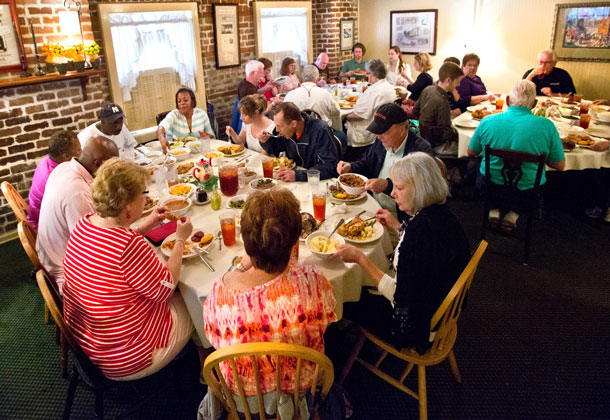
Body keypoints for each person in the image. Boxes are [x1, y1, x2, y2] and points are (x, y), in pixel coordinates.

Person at [200, 189, 336, 416]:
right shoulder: (313, 281)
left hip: (244, 398)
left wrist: (240, 267)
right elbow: (328, 321)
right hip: (300, 389)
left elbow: (212, 339)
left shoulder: (220, 293)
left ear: (245, 241)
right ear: (295, 242)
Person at [62, 158, 196, 380]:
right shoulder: (128, 246)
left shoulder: (85, 223)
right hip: (125, 356)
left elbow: (112, 250)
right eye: (142, 194)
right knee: (192, 299)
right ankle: (203, 370)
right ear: (127, 207)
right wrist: (181, 240)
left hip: (90, 342)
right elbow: (166, 287)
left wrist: (145, 226)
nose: (146, 198)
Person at [333, 152, 470, 355]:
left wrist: (360, 259)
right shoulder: (440, 215)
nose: (393, 193)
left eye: (399, 188)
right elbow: (422, 256)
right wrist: (397, 226)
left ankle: (340, 350)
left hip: (418, 326)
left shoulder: (418, 234)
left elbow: (399, 297)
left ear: (420, 188)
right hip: (440, 305)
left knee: (346, 296)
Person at [467, 79, 565, 230]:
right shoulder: (547, 126)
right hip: (527, 192)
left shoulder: (488, 121)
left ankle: (493, 210)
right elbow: (559, 165)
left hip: (490, 186)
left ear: (507, 100)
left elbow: (471, 152)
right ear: (534, 104)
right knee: (533, 184)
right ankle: (513, 213)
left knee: (480, 171)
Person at [36, 136, 119, 292]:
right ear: (98, 164)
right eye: (111, 167)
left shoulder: (64, 167)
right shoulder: (78, 195)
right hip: (66, 272)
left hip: (49, 254)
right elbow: (91, 248)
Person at [337, 103, 431, 221]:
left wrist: (387, 186)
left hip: (401, 216)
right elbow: (366, 164)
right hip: (372, 206)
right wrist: (350, 167)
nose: (378, 137)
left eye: (383, 131)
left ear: (402, 129)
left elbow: (419, 190)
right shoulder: (382, 143)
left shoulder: (420, 152)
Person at [255, 102, 339, 182]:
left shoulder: (320, 130)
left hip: (316, 182)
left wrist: (298, 175)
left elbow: (329, 166)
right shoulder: (286, 129)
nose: (276, 130)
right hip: (293, 178)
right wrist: (266, 141)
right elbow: (275, 148)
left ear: (293, 123)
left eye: (279, 126)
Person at [27, 130, 81, 231]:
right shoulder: (55, 178)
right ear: (66, 156)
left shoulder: (46, 162)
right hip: (45, 227)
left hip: (37, 216)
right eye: (78, 150)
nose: (81, 152)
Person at [344, 58, 396, 161]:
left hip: (365, 133)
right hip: (379, 128)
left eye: (368, 73)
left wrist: (344, 116)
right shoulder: (389, 87)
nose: (367, 76)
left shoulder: (373, 91)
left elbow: (358, 116)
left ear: (374, 75)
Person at [413, 62, 464, 155]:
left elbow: (415, 111)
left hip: (422, 138)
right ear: (448, 80)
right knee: (465, 147)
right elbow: (446, 133)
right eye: (458, 81)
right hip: (437, 144)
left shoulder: (427, 89)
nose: (459, 85)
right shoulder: (442, 101)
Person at [157, 88, 215, 153]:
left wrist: (207, 136)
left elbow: (211, 135)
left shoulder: (202, 114)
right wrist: (161, 137)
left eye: (185, 100)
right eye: (179, 101)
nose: (182, 103)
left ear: (192, 101)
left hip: (199, 152)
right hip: (178, 153)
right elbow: (161, 126)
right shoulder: (173, 115)